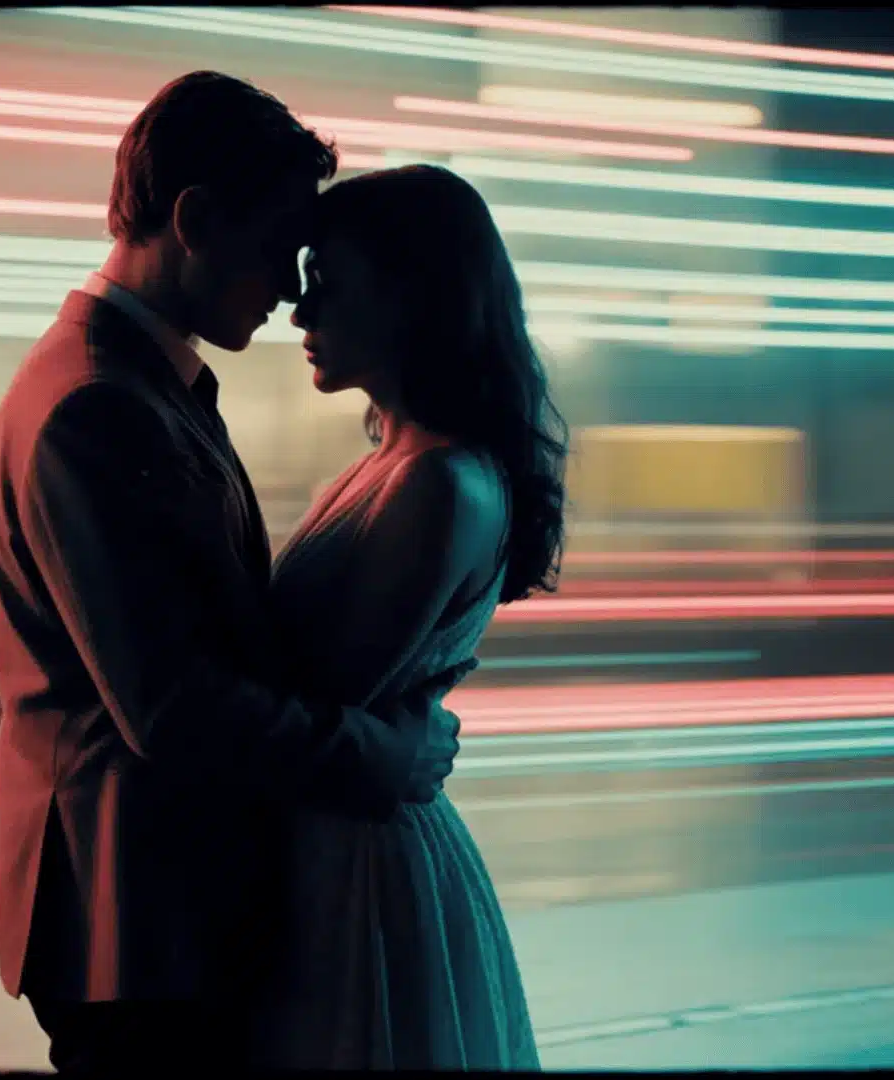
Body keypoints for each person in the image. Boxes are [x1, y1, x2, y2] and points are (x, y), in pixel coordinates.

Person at [0, 72, 475, 1073]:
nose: (293, 288)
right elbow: (171, 707)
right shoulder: (99, 406)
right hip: (139, 921)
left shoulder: (131, 383)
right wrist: (382, 757)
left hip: (148, 911)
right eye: (277, 248)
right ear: (195, 220)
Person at [254, 163, 566, 1068]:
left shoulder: (435, 483)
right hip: (347, 848)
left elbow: (316, 695)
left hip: (357, 871)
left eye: (330, 286)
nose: (301, 314)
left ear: (409, 298)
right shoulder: (395, 467)